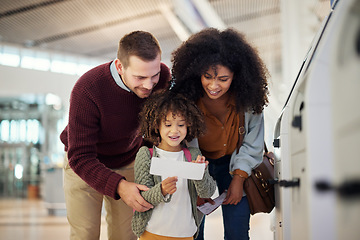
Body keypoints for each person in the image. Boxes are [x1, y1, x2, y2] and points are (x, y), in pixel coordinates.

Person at [60, 30, 171, 240]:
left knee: (126, 235)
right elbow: (80, 156)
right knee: (85, 234)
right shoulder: (88, 89)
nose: (149, 85)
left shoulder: (163, 77)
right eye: (140, 77)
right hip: (84, 164)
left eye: (153, 75)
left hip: (128, 159)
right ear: (120, 66)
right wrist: (120, 186)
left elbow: (157, 127)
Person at [170, 28, 269, 240]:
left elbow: (253, 143)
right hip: (195, 166)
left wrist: (238, 178)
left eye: (223, 79)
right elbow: (179, 144)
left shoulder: (249, 102)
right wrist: (196, 184)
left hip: (233, 165)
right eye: (207, 77)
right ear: (197, 73)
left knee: (237, 231)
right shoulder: (186, 100)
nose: (214, 86)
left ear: (237, 76)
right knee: (192, 231)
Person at [131, 90, 216, 240]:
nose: (174, 131)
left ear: (188, 125)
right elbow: (142, 197)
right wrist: (162, 190)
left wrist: (200, 174)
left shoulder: (194, 154)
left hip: (186, 233)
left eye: (181, 125)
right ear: (157, 126)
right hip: (152, 232)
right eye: (168, 124)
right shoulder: (146, 155)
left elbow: (207, 193)